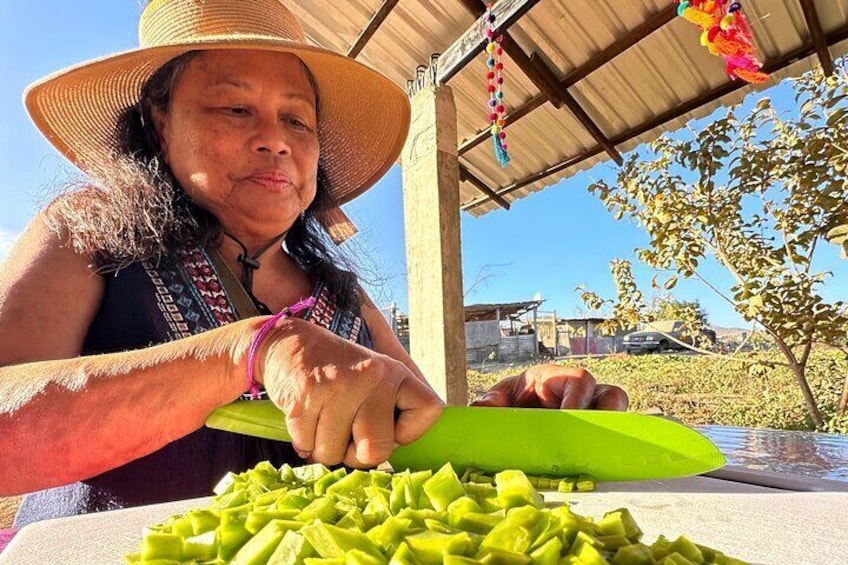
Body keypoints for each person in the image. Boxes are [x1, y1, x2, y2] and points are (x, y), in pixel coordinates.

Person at [0, 0, 628, 527]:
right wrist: (253, 350)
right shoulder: (87, 232)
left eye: (297, 119)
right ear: (159, 126)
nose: (274, 138)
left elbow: (422, 444)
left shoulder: (346, 304)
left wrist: (513, 418)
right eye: (234, 108)